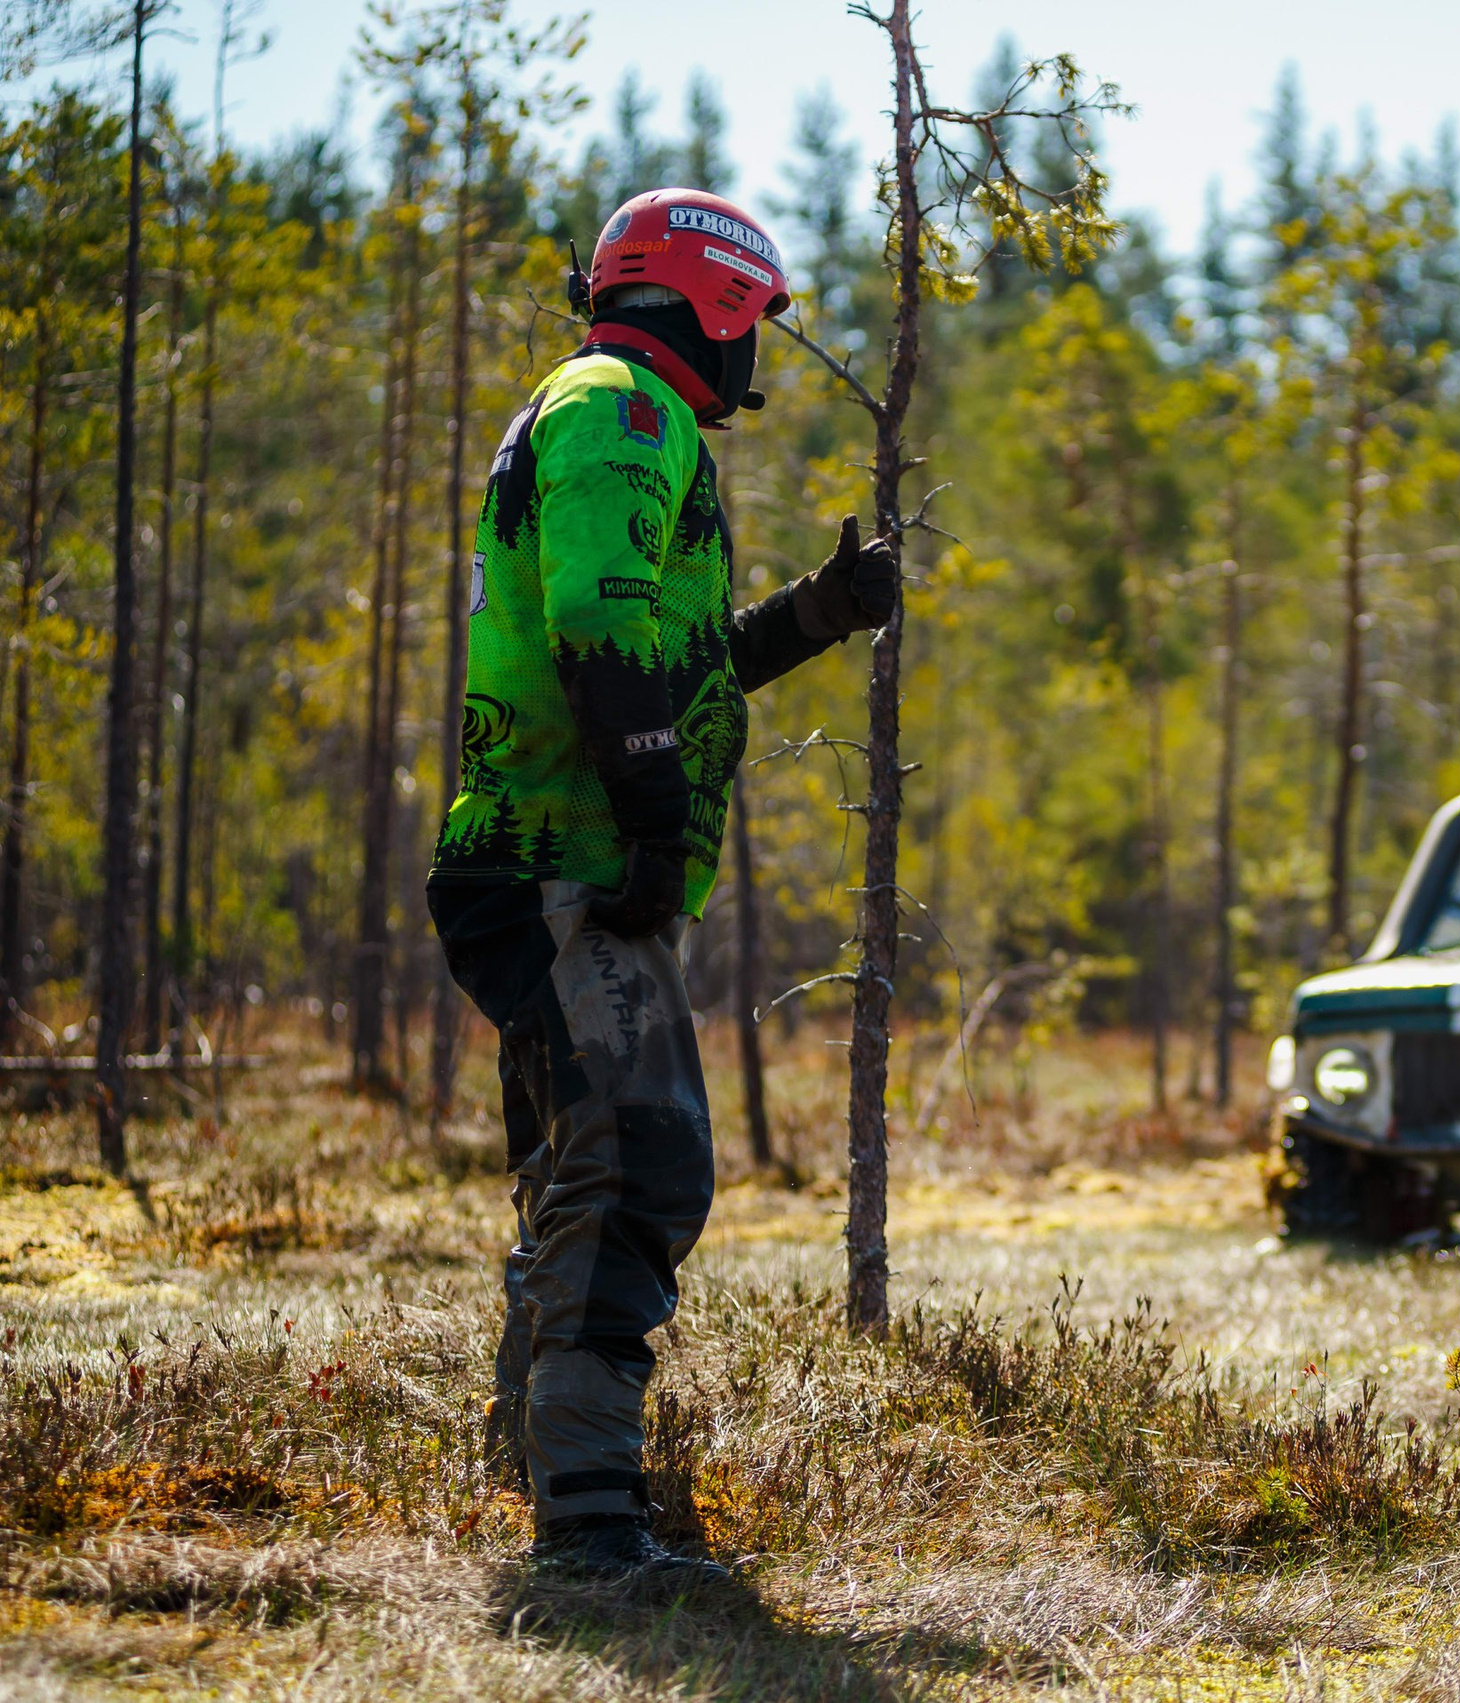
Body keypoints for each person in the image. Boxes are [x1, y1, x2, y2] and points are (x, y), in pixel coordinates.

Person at [425, 189, 895, 1582]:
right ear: (715, 300)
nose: (757, 352)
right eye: (756, 320)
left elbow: (666, 654)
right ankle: (587, 1528)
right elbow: (595, 624)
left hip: (559, 861)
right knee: (638, 1167)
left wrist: (813, 616)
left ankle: (544, 1476)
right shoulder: (624, 410)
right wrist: (644, 820)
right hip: (564, 862)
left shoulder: (616, 411)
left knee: (582, 1168)